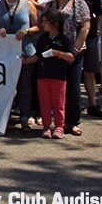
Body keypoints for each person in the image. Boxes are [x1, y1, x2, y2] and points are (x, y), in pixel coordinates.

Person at [48, 0, 91, 136]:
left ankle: (73, 122)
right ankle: (60, 121)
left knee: (73, 87)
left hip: (74, 51)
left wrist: (75, 49)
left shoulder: (78, 3)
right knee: (59, 89)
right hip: (56, 51)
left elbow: (85, 26)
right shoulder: (51, 5)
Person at [0, 0, 39, 131]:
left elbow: (38, 26)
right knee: (3, 87)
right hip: (3, 53)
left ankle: (25, 118)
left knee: (24, 86)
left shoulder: (28, 5)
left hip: (25, 52)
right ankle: (1, 119)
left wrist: (27, 31)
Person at [28, 9, 75, 139]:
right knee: (45, 102)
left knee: (59, 103)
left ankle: (59, 126)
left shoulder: (64, 40)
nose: (43, 24)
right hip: (42, 76)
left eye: (45, 22)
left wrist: (57, 53)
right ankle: (46, 126)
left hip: (58, 76)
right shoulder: (43, 39)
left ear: (54, 23)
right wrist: (24, 61)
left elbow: (71, 57)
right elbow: (37, 56)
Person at [69, 0, 102, 118]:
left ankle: (93, 103)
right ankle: (74, 104)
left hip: (90, 37)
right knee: (72, 74)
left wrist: (98, 29)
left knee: (90, 72)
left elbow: (99, 13)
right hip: (72, 38)